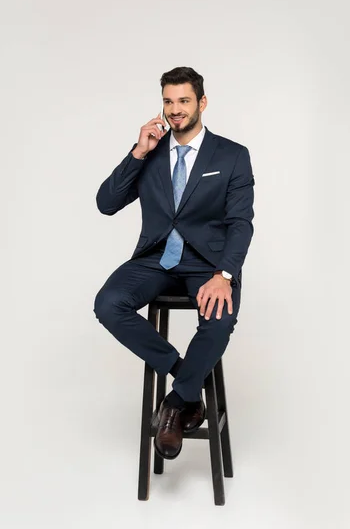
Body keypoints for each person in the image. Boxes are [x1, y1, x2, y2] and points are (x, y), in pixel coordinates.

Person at [94, 66, 255, 460]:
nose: (175, 109)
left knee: (219, 319)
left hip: (208, 264)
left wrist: (225, 275)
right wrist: (138, 152)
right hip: (157, 260)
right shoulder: (150, 152)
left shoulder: (232, 155)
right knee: (107, 303)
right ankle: (186, 377)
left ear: (201, 102)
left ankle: (174, 403)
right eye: (168, 101)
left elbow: (241, 223)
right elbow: (106, 203)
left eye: (183, 100)